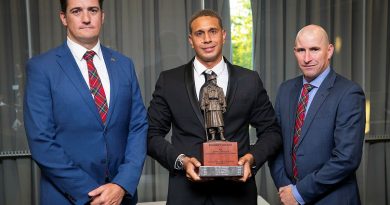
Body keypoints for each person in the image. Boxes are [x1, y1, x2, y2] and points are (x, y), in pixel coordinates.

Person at [147, 9, 282, 205]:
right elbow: (150, 134)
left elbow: (272, 132)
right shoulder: (169, 81)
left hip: (237, 196)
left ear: (223, 35)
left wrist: (251, 159)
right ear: (190, 40)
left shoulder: (249, 80)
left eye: (213, 31)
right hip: (186, 195)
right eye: (199, 33)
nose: (207, 39)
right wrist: (181, 161)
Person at [23, 0, 147, 204]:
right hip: (68, 197)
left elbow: (138, 126)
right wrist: (92, 193)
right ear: (64, 18)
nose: (86, 18)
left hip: (120, 197)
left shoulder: (124, 64)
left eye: (93, 10)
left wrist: (122, 184)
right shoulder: (42, 68)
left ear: (102, 16)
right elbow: (41, 140)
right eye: (76, 11)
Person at [269, 24, 366, 205]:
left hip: (333, 199)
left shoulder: (349, 93)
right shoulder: (286, 90)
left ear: (329, 51)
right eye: (301, 50)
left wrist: (299, 193)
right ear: (294, 52)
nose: (307, 58)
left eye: (314, 49)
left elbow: (346, 158)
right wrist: (286, 188)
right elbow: (276, 144)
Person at [200, 74, 227, 141]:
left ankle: (221, 136)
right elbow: (203, 98)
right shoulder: (205, 89)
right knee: (210, 123)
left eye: (215, 79)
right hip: (209, 107)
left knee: (220, 122)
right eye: (213, 79)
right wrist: (202, 105)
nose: (215, 81)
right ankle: (212, 137)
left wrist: (224, 106)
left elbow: (223, 98)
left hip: (218, 106)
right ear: (210, 81)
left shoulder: (220, 89)